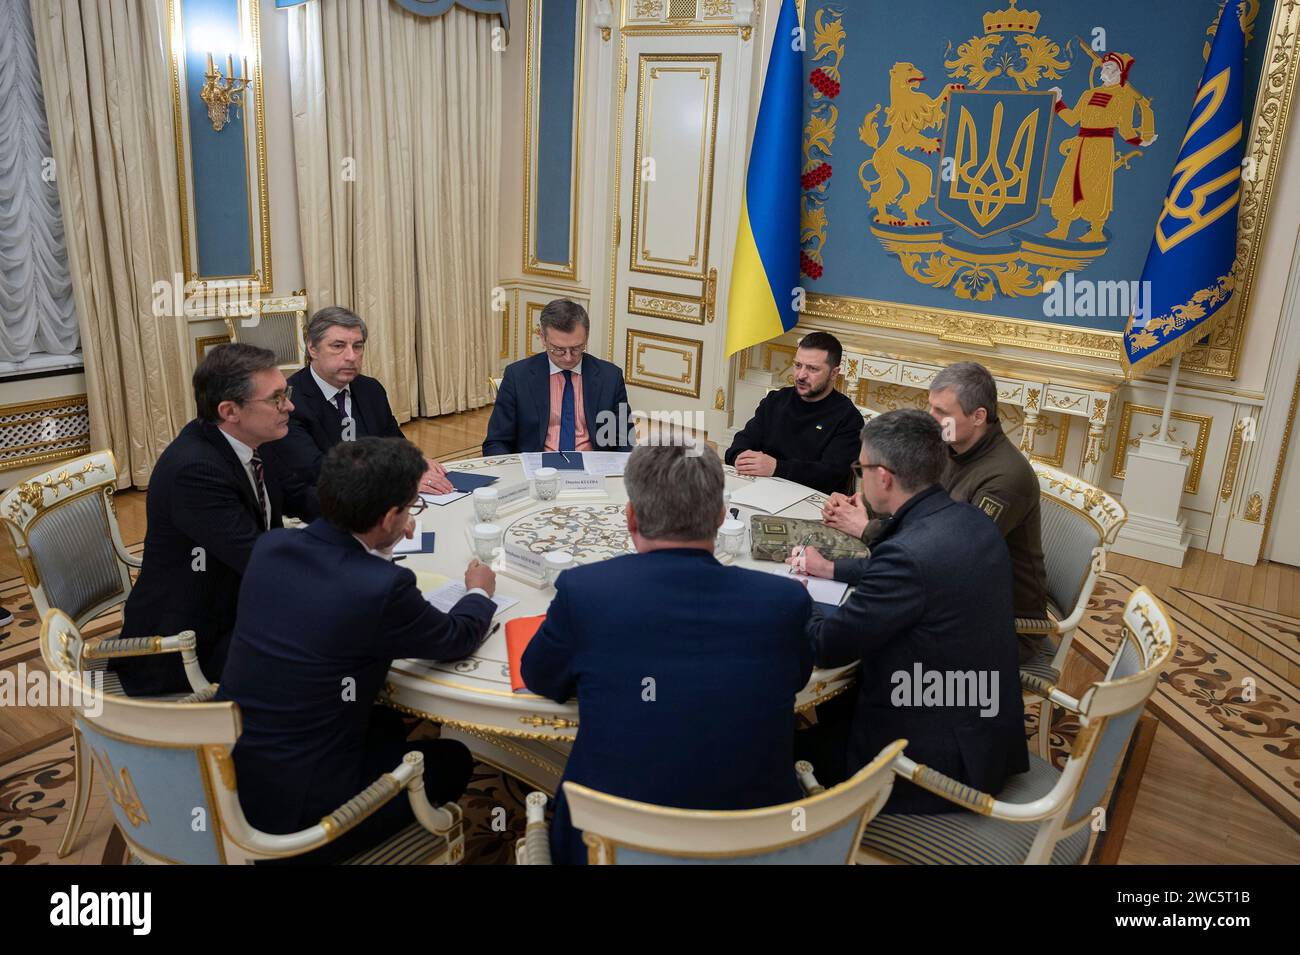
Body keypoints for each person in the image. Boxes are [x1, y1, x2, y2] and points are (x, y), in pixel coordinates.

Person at [522, 444, 814, 864]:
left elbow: (540, 677)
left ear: (631, 518)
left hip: (605, 844)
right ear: (719, 516)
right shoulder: (782, 600)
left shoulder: (585, 591)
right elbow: (797, 679)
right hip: (757, 843)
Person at [217, 437, 497, 863]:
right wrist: (478, 594)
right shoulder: (380, 587)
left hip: (231, 772)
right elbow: (455, 638)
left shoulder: (271, 548)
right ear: (388, 518)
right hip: (301, 821)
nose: (409, 525)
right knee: (454, 757)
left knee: (387, 720)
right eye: (408, 510)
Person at [792, 410, 1027, 812]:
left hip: (926, 764)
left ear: (883, 476)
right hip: (984, 733)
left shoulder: (907, 556)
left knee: (757, 747)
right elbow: (906, 568)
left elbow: (826, 647)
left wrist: (794, 596)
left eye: (860, 468)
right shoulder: (968, 520)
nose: (860, 477)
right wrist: (830, 568)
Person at [113, 344, 318, 696]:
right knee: (332, 647)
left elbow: (303, 497)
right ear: (230, 410)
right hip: (189, 643)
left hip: (237, 605)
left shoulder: (254, 438)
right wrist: (345, 561)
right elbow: (259, 559)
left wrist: (373, 511)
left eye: (287, 393)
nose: (290, 406)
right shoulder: (196, 470)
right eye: (277, 398)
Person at [821, 361, 1049, 661]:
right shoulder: (949, 447)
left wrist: (865, 529)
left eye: (942, 412)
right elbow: (915, 509)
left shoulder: (1005, 479)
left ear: (979, 416)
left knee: (864, 642)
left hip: (998, 625)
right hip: (944, 591)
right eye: (931, 407)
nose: (931, 419)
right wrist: (863, 504)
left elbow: (950, 558)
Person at [275, 305, 453, 494]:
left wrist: (415, 462)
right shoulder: (290, 401)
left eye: (358, 346)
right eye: (338, 346)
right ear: (313, 348)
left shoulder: (371, 389)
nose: (351, 356)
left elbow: (394, 443)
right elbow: (317, 471)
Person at [482, 299, 633, 455]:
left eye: (576, 348)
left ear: (586, 337)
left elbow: (624, 440)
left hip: (593, 470)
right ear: (542, 337)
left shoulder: (610, 377)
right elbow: (496, 442)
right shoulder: (518, 376)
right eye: (558, 349)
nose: (568, 358)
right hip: (538, 471)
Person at [724, 331, 864, 494]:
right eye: (798, 365)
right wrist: (739, 457)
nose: (801, 375)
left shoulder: (847, 417)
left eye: (812, 369)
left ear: (834, 373)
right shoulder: (775, 400)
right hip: (761, 489)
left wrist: (776, 467)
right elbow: (743, 441)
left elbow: (830, 475)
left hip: (812, 502)